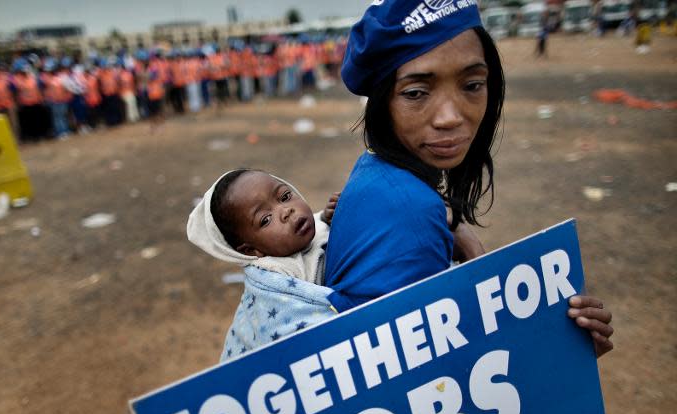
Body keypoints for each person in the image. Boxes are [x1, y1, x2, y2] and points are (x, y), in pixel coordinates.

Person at [325, 0, 614, 357]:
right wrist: (559, 355)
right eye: (416, 93)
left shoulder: (378, 170)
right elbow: (426, 386)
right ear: (382, 102)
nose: (449, 117)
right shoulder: (413, 210)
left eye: (472, 85)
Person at [187, 169, 339, 360]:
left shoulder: (312, 228)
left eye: (285, 196)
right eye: (266, 219)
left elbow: (319, 233)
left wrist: (328, 219)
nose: (286, 211)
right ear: (251, 250)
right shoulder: (273, 284)